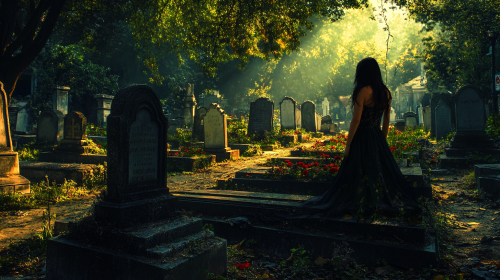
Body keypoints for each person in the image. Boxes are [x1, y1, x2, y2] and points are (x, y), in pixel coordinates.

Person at [300, 57, 419, 218]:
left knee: (359, 169)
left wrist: (348, 145)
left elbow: (356, 120)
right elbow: (386, 120)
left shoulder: (363, 91)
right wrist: (382, 142)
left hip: (362, 136)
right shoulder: (386, 93)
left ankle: (361, 199)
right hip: (377, 135)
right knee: (375, 170)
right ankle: (373, 199)